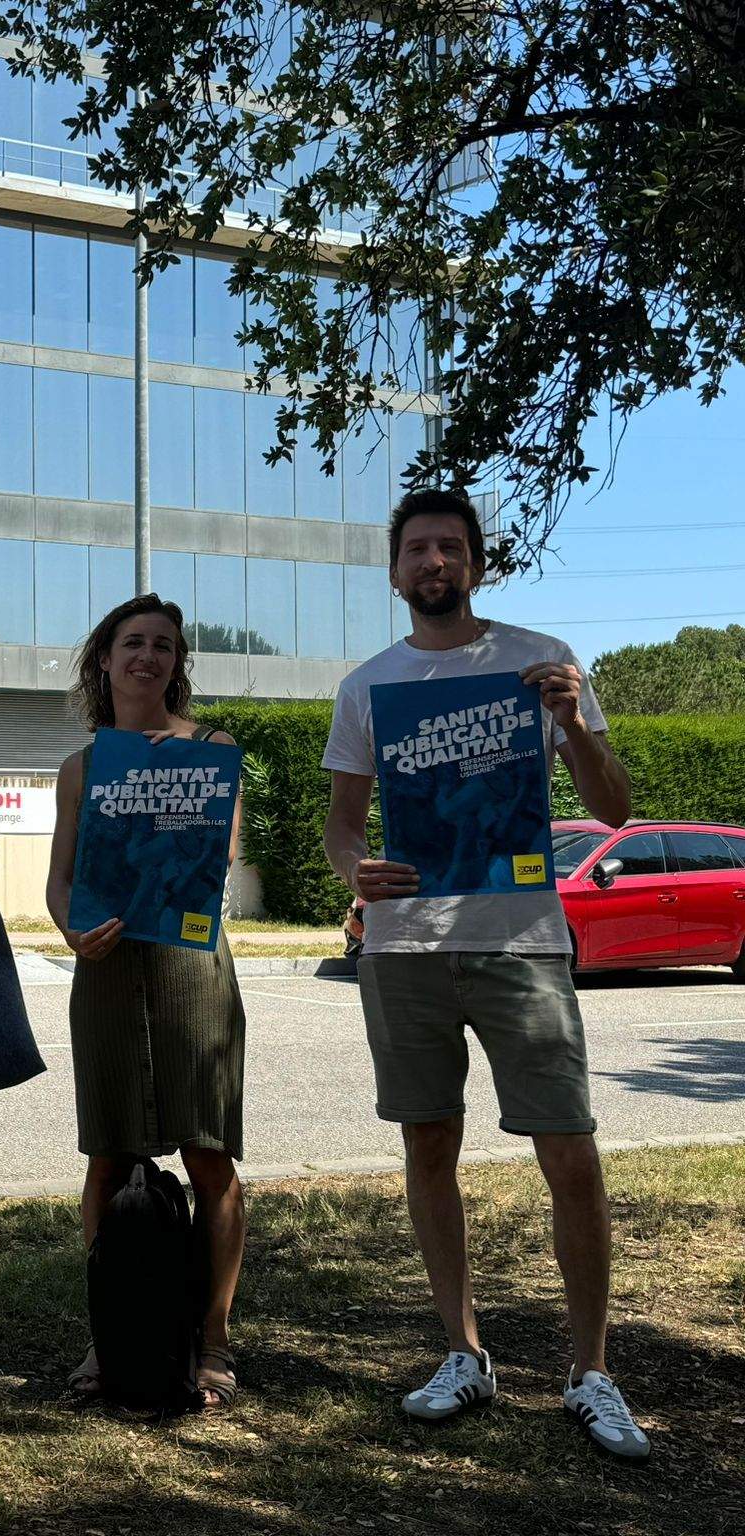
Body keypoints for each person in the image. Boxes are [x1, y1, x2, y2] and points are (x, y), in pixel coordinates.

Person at [321, 487, 648, 1461]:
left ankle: (590, 1372)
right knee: (427, 1147)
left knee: (568, 1152)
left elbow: (615, 810)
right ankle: (462, 1354)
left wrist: (573, 724)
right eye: (417, 548)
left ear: (474, 564)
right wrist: (354, 871)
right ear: (394, 573)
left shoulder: (539, 662)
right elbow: (342, 827)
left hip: (521, 942)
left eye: (450, 547)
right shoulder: (366, 686)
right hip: (404, 948)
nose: (434, 561)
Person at [46, 594, 248, 1408]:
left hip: (190, 964)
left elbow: (218, 853)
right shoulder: (82, 766)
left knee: (208, 1153)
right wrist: (71, 929)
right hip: (105, 968)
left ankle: (213, 1340)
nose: (148, 656)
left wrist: (172, 787)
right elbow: (62, 879)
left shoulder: (213, 748)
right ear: (105, 659)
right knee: (109, 1156)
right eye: (133, 642)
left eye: (164, 645)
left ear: (176, 663)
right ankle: (110, 1337)